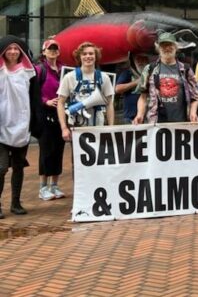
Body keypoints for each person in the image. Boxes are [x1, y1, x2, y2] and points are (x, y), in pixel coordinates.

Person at [0, 36, 41, 217]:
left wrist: (34, 123)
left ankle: (16, 202)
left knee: (18, 166)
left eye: (16, 49)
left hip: (21, 126)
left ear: (21, 52)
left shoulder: (29, 73)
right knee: (1, 167)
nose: (13, 52)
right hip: (1, 126)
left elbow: (34, 98)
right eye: (9, 49)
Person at [134, 32, 198, 124]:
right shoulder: (150, 69)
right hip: (155, 123)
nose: (167, 48)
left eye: (169, 44)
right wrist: (139, 114)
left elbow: (195, 97)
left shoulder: (186, 69)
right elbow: (143, 97)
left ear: (176, 47)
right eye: (163, 45)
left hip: (181, 123)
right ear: (158, 48)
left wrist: (193, 113)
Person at [57, 42, 115, 143]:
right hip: (76, 126)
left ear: (96, 56)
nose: (88, 56)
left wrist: (111, 128)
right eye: (84, 54)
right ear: (79, 57)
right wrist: (64, 128)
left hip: (98, 125)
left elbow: (109, 104)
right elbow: (60, 103)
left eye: (91, 54)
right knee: (77, 158)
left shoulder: (104, 78)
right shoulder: (69, 77)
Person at [35, 38, 66, 202]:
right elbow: (32, 93)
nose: (53, 51)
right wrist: (45, 101)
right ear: (44, 51)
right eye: (49, 49)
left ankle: (54, 184)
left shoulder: (63, 70)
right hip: (45, 115)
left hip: (60, 115)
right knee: (46, 150)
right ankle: (43, 187)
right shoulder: (39, 69)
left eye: (55, 49)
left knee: (58, 149)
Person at [115, 52, 150, 124]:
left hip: (149, 116)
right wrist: (136, 82)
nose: (140, 61)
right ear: (133, 61)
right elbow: (118, 89)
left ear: (147, 60)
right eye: (137, 59)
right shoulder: (128, 73)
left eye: (142, 58)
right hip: (130, 116)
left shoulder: (152, 72)